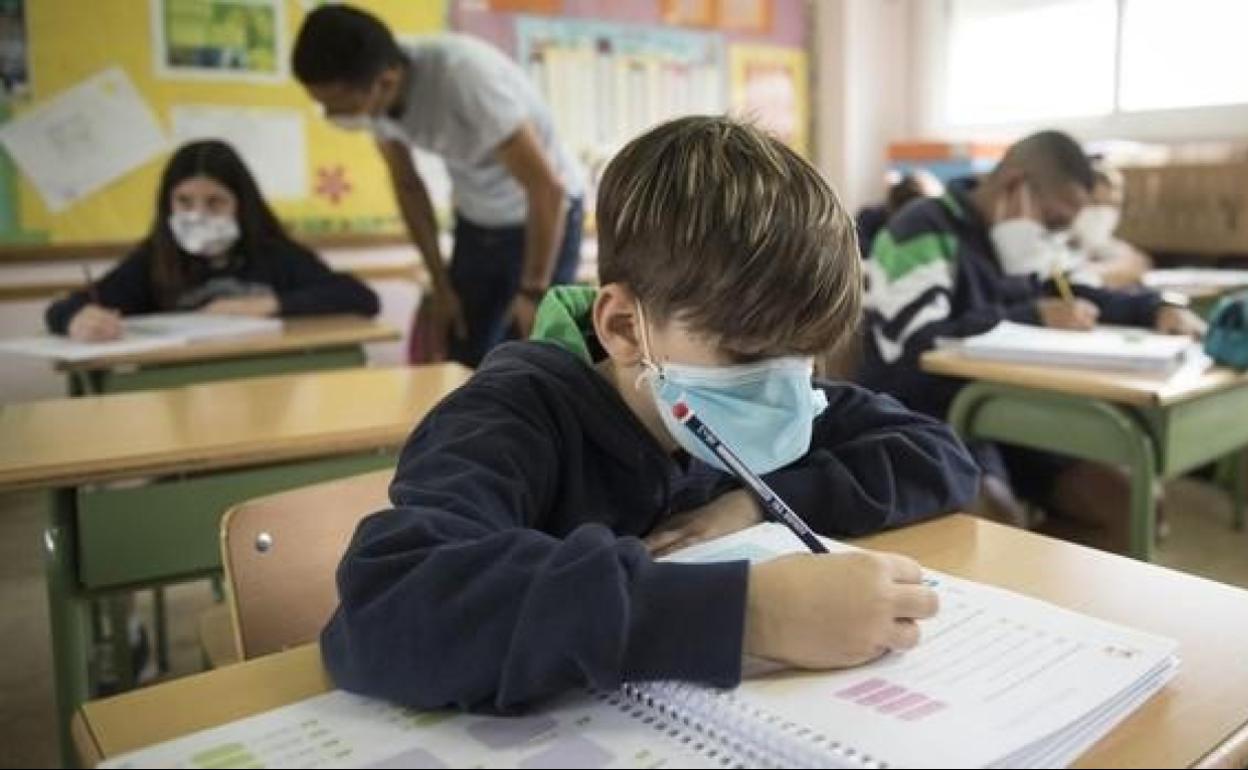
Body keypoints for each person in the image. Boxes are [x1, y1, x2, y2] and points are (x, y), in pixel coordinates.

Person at [320, 116, 980, 711]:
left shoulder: (752, 389)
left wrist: (755, 502)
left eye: (807, 356)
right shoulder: (513, 417)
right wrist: (750, 616)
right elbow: (388, 605)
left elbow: (938, 454)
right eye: (749, 354)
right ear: (624, 328)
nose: (784, 390)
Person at [858, 130, 1205, 552]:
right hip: (931, 416)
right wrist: (1032, 314)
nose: (1053, 237)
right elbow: (913, 347)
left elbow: (1075, 291)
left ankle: (1044, 592)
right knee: (998, 527)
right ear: (1013, 185)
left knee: (1130, 506)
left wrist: (1155, 309)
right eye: (1053, 221)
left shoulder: (1018, 244)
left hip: (1008, 413)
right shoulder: (922, 228)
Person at [292, 4, 585, 367]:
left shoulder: (465, 78)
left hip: (545, 216)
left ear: (385, 82)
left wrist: (533, 291)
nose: (335, 117)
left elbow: (546, 189)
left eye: (339, 106)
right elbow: (408, 187)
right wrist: (440, 284)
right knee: (459, 345)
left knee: (531, 356)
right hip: (478, 219)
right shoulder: (373, 91)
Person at [46, 140, 378, 341]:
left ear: (241, 205)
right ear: (167, 205)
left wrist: (265, 305)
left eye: (214, 202)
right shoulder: (154, 258)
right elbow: (66, 308)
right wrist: (76, 318)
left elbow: (360, 297)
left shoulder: (274, 254)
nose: (198, 214)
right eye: (185, 202)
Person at [1067, 160, 1152, 289]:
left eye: (1111, 205)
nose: (1102, 212)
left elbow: (1138, 265)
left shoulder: (1114, 248)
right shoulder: (1055, 246)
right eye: (1095, 203)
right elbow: (1070, 278)